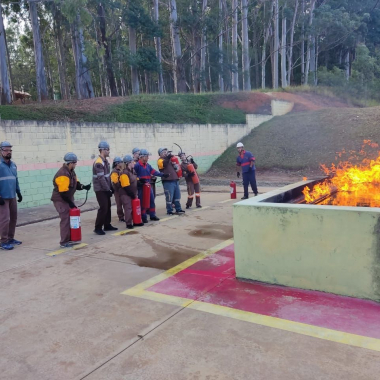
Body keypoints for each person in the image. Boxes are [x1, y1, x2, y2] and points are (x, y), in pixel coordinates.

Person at [51, 153, 91, 248]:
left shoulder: (71, 172)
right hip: (60, 200)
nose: (75, 165)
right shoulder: (63, 173)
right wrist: (71, 203)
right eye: (75, 163)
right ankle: (64, 242)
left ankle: (69, 239)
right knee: (65, 219)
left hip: (67, 198)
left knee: (70, 219)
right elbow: (63, 193)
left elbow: (76, 184)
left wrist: (84, 187)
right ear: (71, 163)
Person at [134, 149, 168, 223]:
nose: (148, 158)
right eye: (147, 156)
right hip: (141, 187)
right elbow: (134, 176)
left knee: (151, 201)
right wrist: (138, 181)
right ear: (142, 157)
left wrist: (163, 175)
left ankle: (152, 215)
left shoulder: (148, 165)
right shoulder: (137, 166)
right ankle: (143, 217)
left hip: (148, 186)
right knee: (143, 202)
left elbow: (154, 172)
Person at [0, 141, 22, 250]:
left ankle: (10, 238)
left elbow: (15, 179)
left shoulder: (13, 165)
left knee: (13, 218)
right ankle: (3, 241)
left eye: (10, 150)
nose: (8, 152)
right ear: (0, 151)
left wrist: (18, 192)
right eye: (6, 150)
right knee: (5, 219)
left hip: (12, 195)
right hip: (2, 197)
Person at [93, 141, 118, 235]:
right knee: (103, 207)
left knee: (108, 206)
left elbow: (107, 176)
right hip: (100, 189)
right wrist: (107, 189)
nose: (109, 151)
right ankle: (98, 227)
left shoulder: (105, 161)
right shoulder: (99, 163)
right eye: (108, 149)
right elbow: (101, 178)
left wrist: (111, 187)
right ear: (103, 150)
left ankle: (107, 225)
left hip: (105, 188)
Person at [157, 148, 185, 215]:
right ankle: (169, 210)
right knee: (169, 197)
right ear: (160, 154)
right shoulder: (160, 160)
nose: (165, 153)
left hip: (175, 179)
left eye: (165, 152)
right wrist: (168, 157)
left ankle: (178, 208)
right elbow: (164, 165)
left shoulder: (169, 159)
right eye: (163, 152)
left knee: (177, 196)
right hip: (168, 181)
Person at [119, 154, 143, 228]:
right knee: (128, 208)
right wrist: (132, 194)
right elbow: (125, 186)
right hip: (125, 194)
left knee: (134, 208)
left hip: (132, 193)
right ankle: (128, 223)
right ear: (128, 163)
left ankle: (136, 221)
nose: (134, 163)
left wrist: (140, 182)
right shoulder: (124, 173)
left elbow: (135, 179)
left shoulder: (132, 171)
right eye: (132, 162)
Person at [111, 156, 125, 222]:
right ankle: (121, 217)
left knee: (125, 203)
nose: (122, 164)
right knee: (119, 204)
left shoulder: (122, 170)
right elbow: (116, 182)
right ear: (117, 164)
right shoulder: (114, 172)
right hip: (117, 190)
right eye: (121, 162)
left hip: (123, 189)